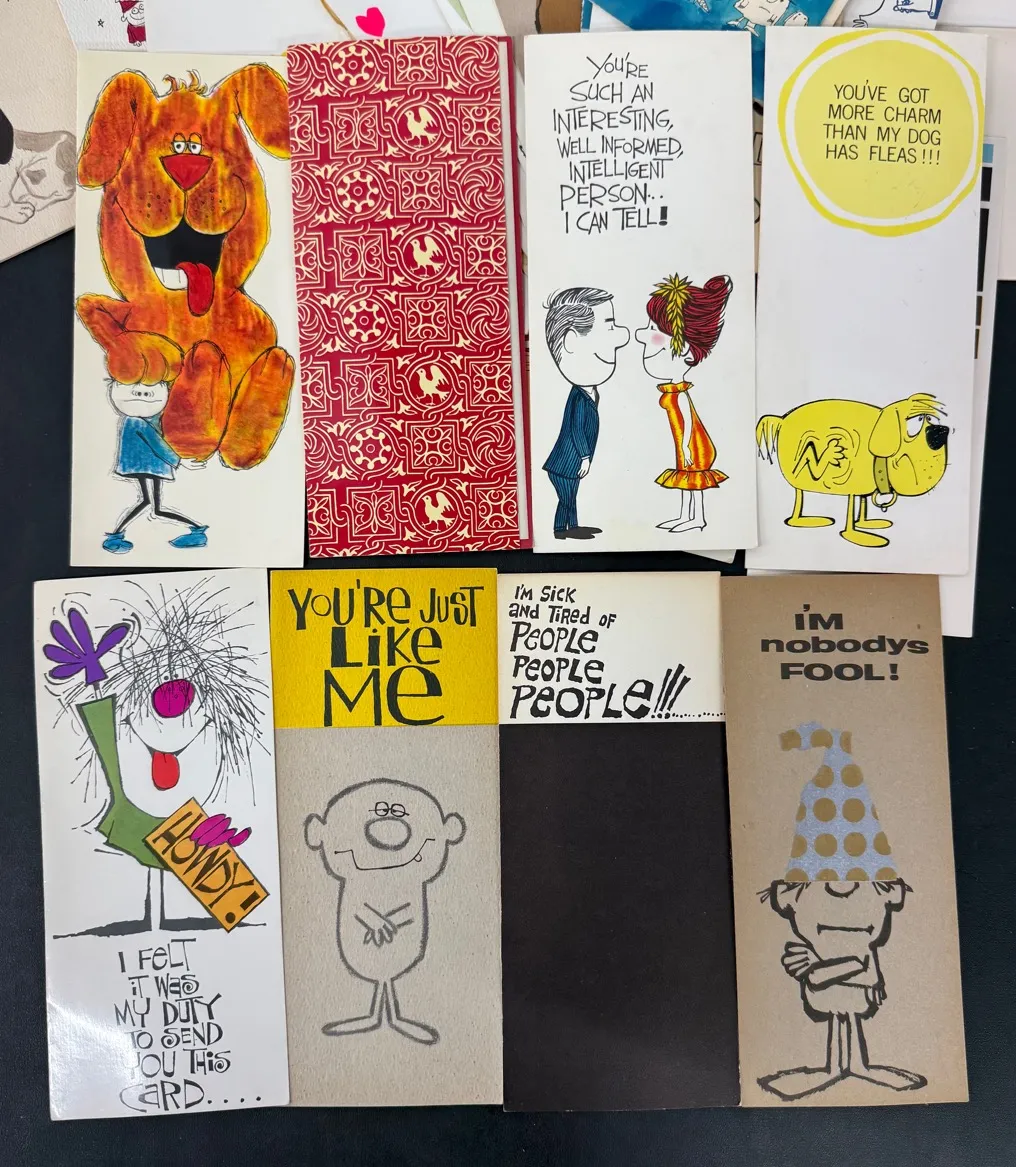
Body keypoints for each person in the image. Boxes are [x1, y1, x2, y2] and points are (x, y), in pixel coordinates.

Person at [637, 273, 732, 534]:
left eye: (655, 333)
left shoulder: (680, 393)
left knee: (693, 481)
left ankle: (697, 517)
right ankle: (684, 515)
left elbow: (689, 419)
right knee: (685, 480)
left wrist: (687, 446)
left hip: (693, 445)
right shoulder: (673, 389)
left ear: (685, 350)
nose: (642, 337)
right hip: (684, 443)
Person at [542, 287, 630, 540]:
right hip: (565, 463)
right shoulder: (580, 398)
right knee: (566, 497)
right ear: (571, 341)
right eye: (609, 326)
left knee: (571, 495)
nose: (621, 337)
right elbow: (577, 430)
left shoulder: (588, 392)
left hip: (570, 463)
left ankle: (572, 526)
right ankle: (561, 531)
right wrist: (584, 457)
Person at [102, 380, 208, 553]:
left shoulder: (139, 421)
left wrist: (179, 460)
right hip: (149, 467)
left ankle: (116, 536)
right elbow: (155, 442)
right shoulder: (135, 420)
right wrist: (178, 460)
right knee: (152, 505)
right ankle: (197, 531)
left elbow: (158, 443)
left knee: (150, 504)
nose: (141, 395)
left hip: (151, 467)